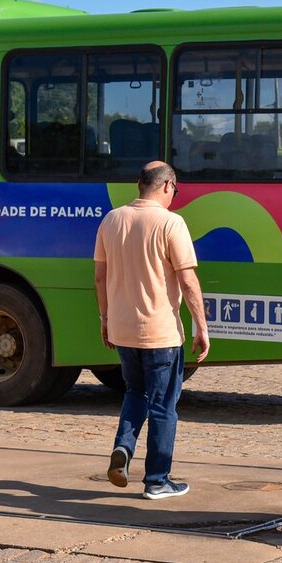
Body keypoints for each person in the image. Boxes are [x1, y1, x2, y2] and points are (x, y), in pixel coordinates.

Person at [94, 161, 210, 499]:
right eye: (176, 189)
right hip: (160, 333)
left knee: (135, 393)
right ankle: (157, 480)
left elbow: (99, 277)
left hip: (122, 330)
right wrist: (201, 327)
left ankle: (124, 448)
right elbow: (188, 281)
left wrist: (104, 319)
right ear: (167, 185)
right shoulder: (171, 223)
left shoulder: (112, 220)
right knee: (163, 405)